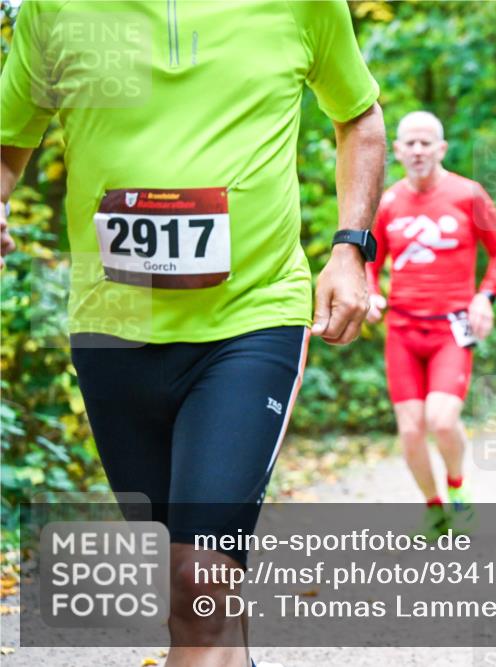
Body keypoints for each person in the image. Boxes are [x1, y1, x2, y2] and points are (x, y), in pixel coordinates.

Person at [1, 2, 385, 665]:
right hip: (113, 327)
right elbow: (10, 137)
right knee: (190, 598)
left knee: (199, 578)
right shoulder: (55, 8)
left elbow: (359, 116)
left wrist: (351, 249)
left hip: (251, 317)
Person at [365, 111, 496, 537]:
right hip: (403, 330)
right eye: (409, 144)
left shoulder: (468, 195)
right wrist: (371, 293)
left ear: (441, 149)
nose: (418, 150)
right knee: (411, 430)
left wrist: (485, 297)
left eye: (425, 143)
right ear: (397, 151)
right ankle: (434, 510)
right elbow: (369, 261)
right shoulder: (388, 203)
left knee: (443, 420)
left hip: (452, 328)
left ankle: (457, 487)